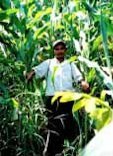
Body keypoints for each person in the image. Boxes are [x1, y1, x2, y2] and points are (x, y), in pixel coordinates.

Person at [27, 40, 90, 156]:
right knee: (52, 125)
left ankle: (69, 150)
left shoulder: (70, 63)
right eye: (57, 49)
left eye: (62, 48)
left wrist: (83, 83)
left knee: (68, 123)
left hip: (67, 98)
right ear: (54, 51)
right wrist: (31, 73)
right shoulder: (49, 63)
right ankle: (53, 151)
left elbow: (78, 77)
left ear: (65, 50)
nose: (59, 51)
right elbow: (37, 70)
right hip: (52, 99)